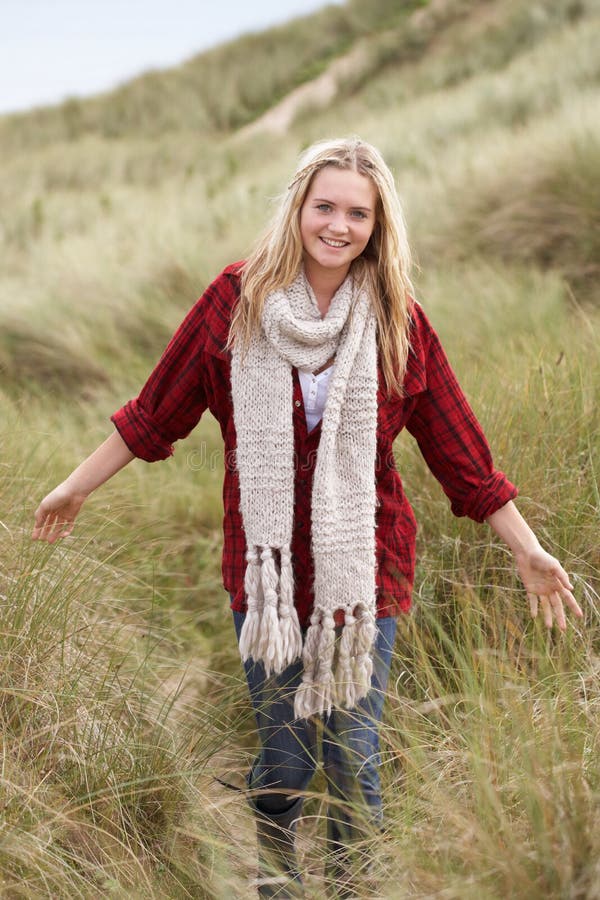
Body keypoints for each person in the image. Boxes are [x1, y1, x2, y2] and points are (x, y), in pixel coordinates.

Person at [32, 138, 582, 898]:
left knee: (354, 755)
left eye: (358, 212)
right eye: (325, 206)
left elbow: (463, 457)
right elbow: (155, 413)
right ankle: (275, 860)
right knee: (288, 758)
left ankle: (356, 888)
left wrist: (527, 549)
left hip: (367, 569)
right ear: (298, 206)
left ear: (377, 224)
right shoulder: (236, 300)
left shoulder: (397, 322)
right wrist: (75, 487)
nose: (339, 224)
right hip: (265, 575)